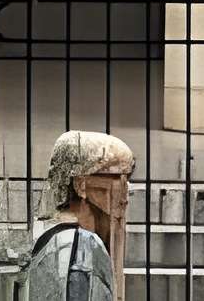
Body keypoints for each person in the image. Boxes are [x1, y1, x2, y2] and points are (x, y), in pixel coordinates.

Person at [23, 129, 135, 300]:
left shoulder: (49, 236)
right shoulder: (84, 245)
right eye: (120, 178)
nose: (126, 192)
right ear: (80, 184)